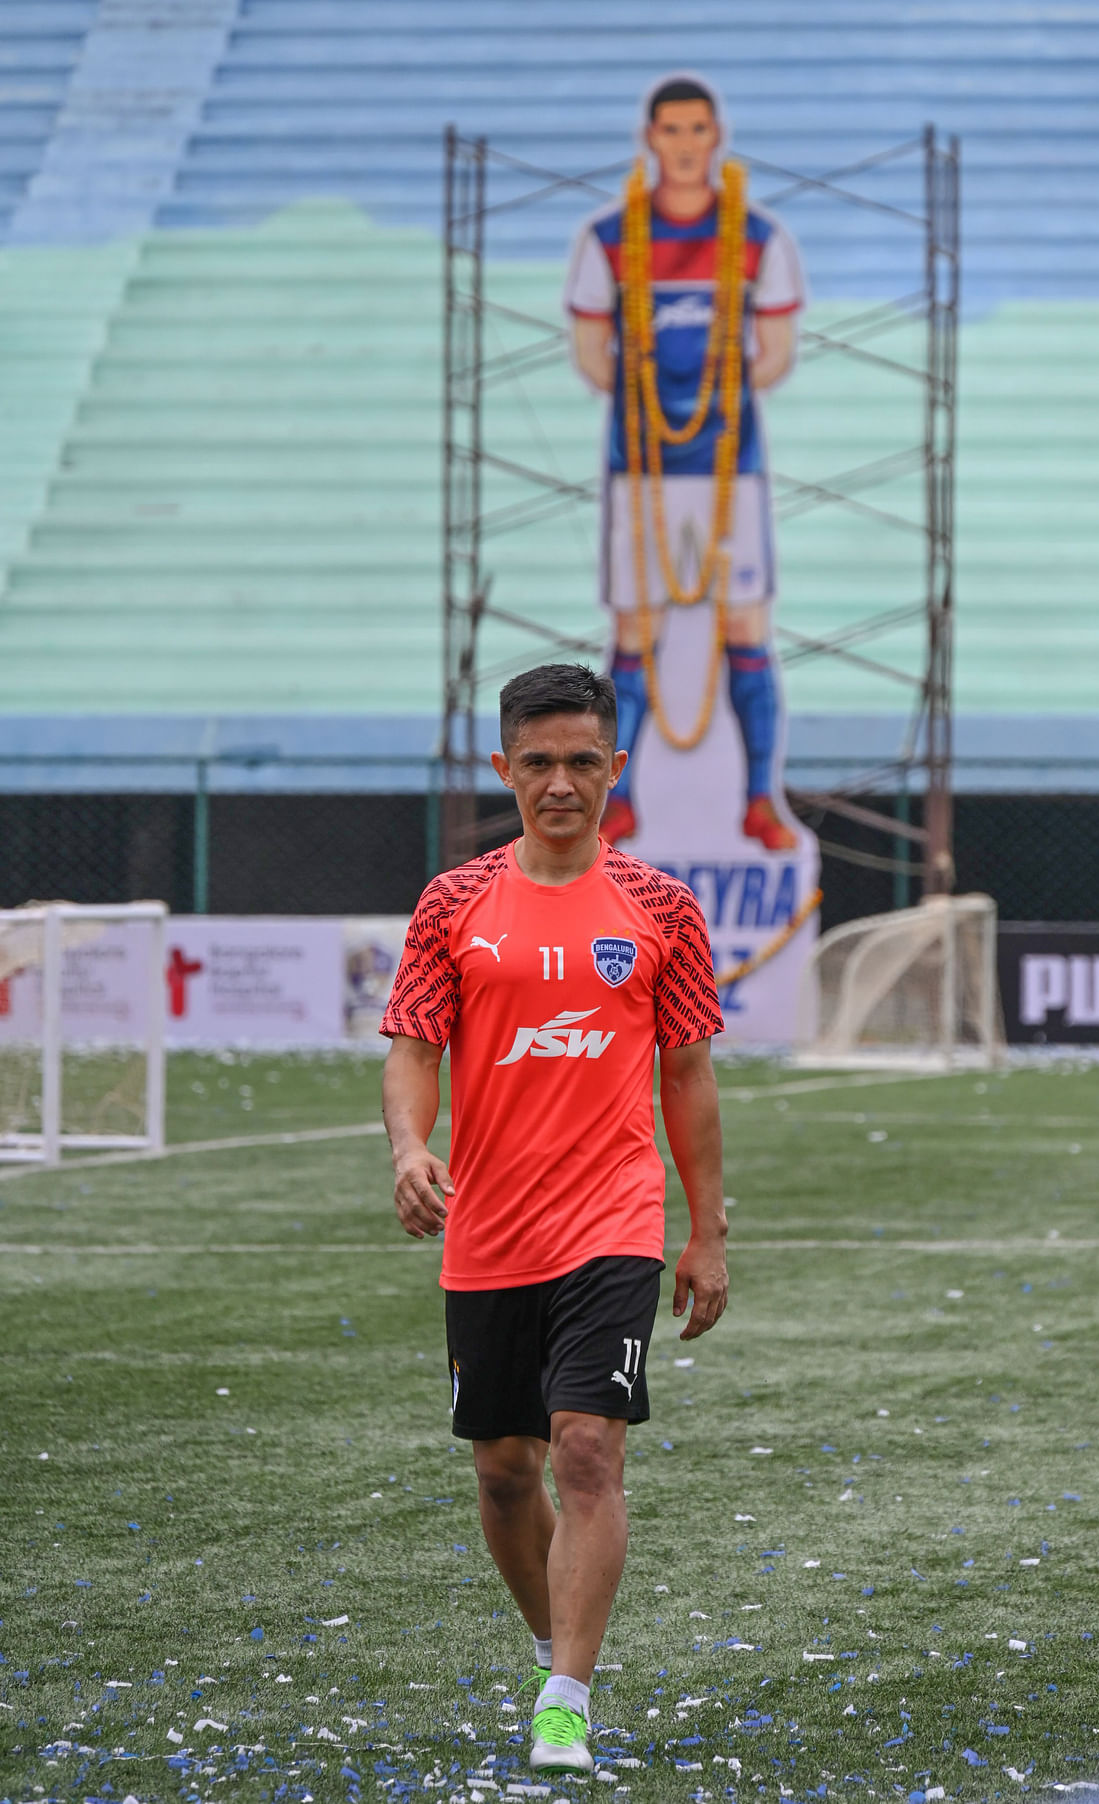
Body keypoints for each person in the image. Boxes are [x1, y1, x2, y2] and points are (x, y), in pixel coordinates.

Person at [380, 662, 728, 1776]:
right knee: (501, 1468)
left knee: (586, 1449)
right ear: (503, 769)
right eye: (539, 762)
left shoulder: (663, 908)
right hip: (488, 1228)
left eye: (584, 760)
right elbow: (414, 1047)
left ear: (616, 768)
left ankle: (567, 1699)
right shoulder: (452, 903)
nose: (562, 781)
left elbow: (689, 1076)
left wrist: (707, 1228)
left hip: (613, 1222)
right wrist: (408, 1147)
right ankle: (548, 1642)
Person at [564, 73, 805, 852]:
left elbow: (773, 356)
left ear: (717, 136)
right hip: (640, 471)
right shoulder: (609, 239)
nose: (686, 145)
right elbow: (592, 356)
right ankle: (621, 798)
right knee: (635, 630)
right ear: (650, 138)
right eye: (671, 129)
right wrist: (652, 414)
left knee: (746, 623)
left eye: (699, 129)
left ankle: (760, 799)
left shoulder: (759, 238)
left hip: (731, 469)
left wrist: (714, 405)